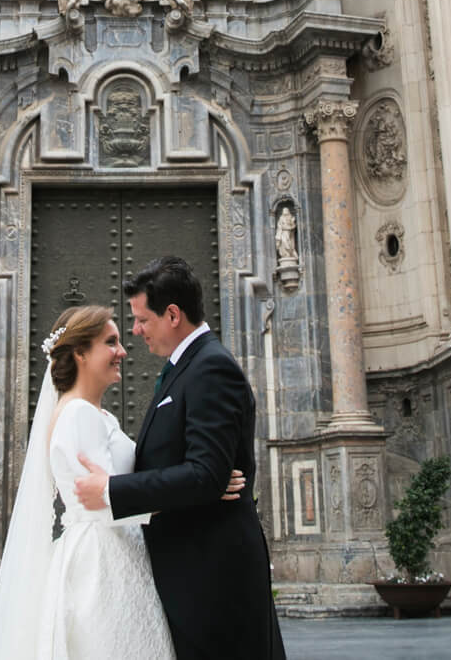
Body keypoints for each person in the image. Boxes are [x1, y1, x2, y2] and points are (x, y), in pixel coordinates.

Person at [0, 302, 247, 660]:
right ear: (80, 354)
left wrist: (202, 474)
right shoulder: (77, 415)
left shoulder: (95, 414)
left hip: (115, 551)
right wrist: (203, 490)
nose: (122, 351)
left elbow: (125, 483)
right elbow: (102, 501)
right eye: (110, 342)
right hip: (101, 562)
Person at [72, 257, 286, 660]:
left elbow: (207, 473)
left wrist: (111, 490)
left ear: (173, 314)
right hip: (189, 568)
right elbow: (205, 472)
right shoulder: (183, 366)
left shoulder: (211, 367)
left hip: (212, 575)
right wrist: (205, 478)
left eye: (142, 320)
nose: (135, 332)